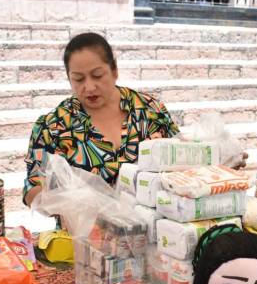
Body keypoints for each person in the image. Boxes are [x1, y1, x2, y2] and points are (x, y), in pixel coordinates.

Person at [23, 32, 180, 206]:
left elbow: (181, 161)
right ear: (69, 79)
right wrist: (67, 202)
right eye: (78, 79)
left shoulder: (151, 111)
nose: (89, 87)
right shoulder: (53, 126)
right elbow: (32, 191)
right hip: (83, 232)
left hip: (153, 229)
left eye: (97, 75)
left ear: (114, 71)